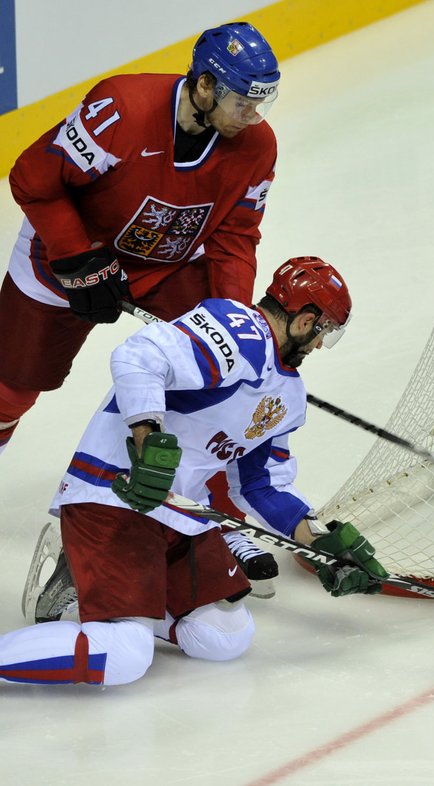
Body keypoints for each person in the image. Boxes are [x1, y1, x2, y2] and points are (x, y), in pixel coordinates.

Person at [1, 256, 388, 687]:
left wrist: (323, 543)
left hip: (181, 514)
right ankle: (111, 613)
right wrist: (148, 443)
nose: (320, 345)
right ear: (305, 320)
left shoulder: (288, 397)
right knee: (124, 656)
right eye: (324, 332)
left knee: (224, 636)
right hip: (118, 494)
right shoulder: (238, 330)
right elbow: (138, 355)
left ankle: (111, 601)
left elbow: (262, 486)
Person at [1, 21, 282, 581]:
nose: (254, 117)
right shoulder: (120, 109)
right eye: (241, 103)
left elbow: (234, 236)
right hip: (66, 257)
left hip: (171, 265)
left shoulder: (257, 146)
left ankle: (214, 517)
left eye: (262, 102)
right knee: (11, 387)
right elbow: (33, 177)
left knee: (215, 376)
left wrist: (230, 323)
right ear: (204, 87)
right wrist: (75, 254)